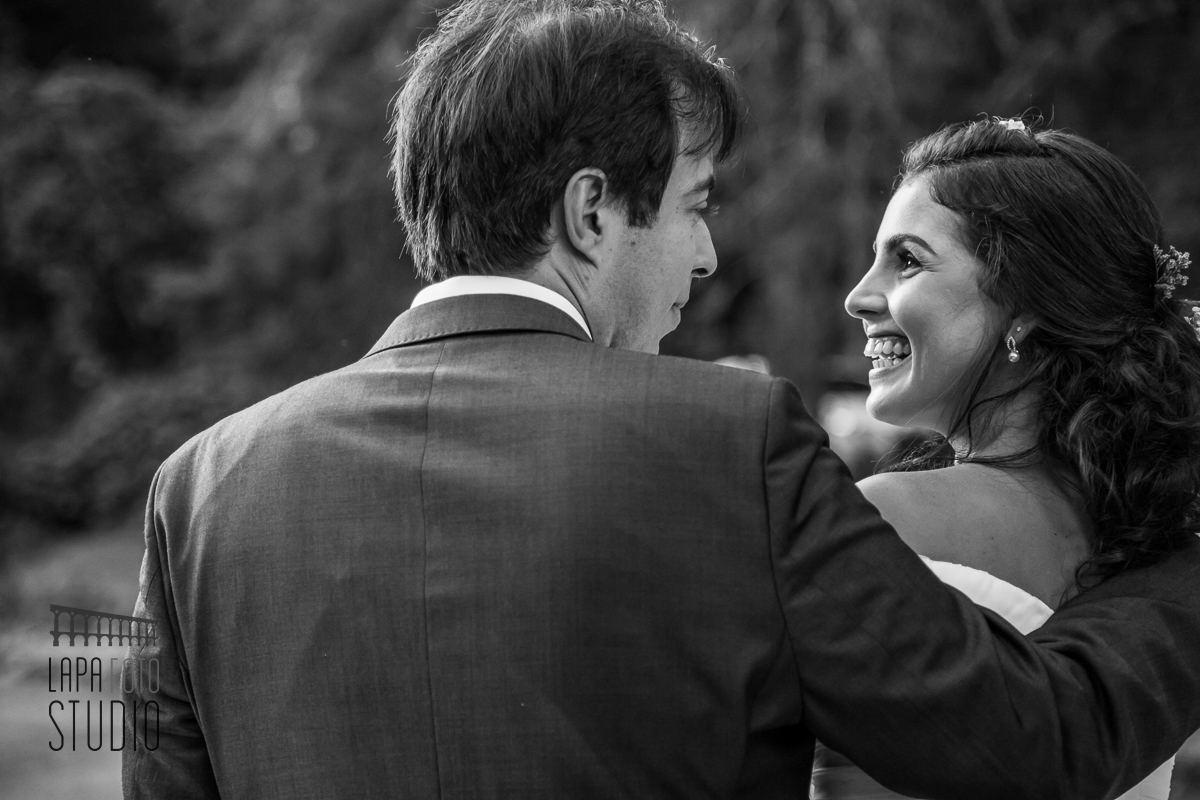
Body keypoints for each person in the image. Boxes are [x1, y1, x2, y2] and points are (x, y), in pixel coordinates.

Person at [123, 2, 1200, 798]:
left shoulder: (201, 487)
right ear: (591, 211)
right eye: (694, 205)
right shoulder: (731, 446)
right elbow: (1026, 742)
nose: (707, 254)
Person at [815, 117, 1200, 800]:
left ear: (1021, 306)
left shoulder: (881, 520)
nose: (858, 296)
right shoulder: (1151, 546)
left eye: (906, 260)